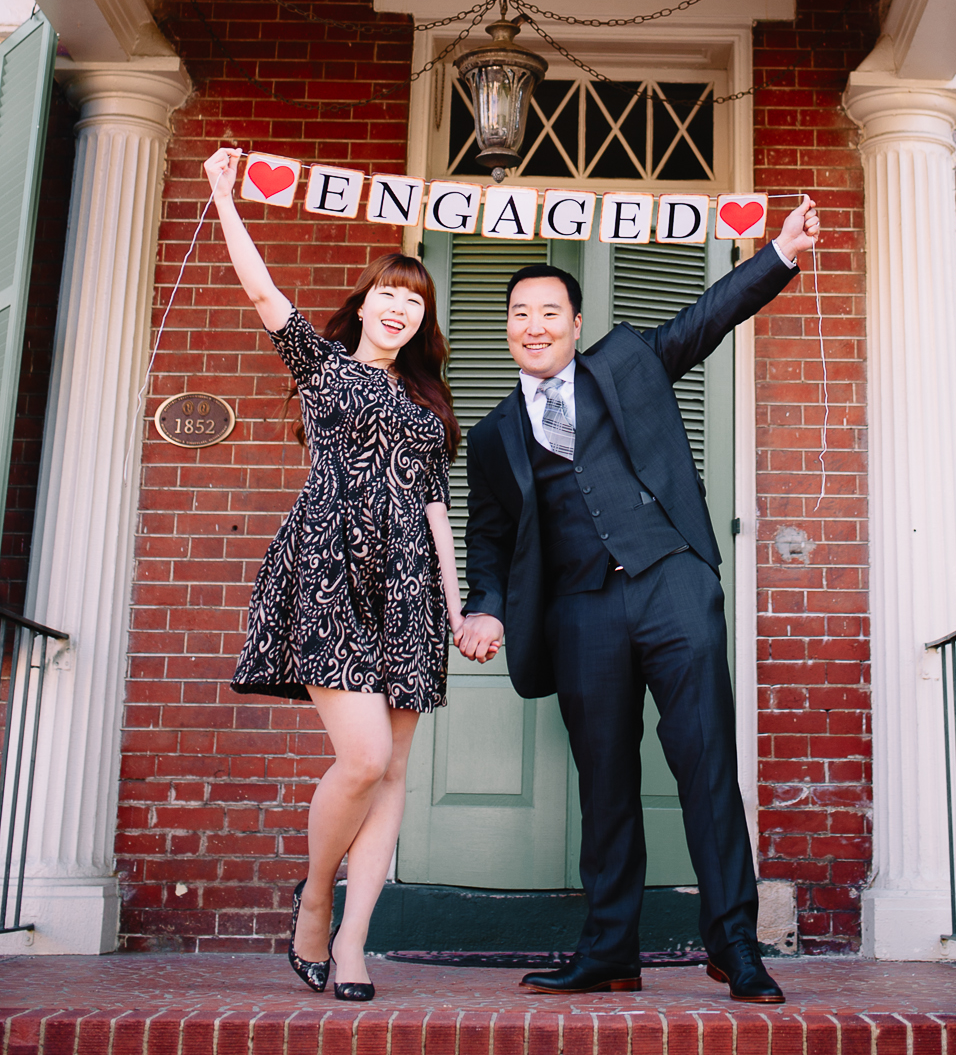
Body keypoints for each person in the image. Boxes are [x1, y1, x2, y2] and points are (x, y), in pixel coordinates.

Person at [457, 196, 820, 1001]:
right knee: (607, 784)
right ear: (507, 329)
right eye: (519, 313)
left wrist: (779, 254)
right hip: (580, 612)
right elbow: (487, 535)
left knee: (705, 769)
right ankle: (609, 951)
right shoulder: (491, 437)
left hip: (671, 584)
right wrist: (484, 603)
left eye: (549, 310)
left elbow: (703, 319)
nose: (534, 324)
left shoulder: (625, 363)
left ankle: (734, 945)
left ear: (576, 324)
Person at [203, 147, 464, 1003]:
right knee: (359, 758)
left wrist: (457, 609)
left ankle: (353, 945)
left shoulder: (427, 401)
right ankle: (314, 900)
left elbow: (433, 511)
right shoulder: (321, 367)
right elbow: (258, 289)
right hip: (325, 568)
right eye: (390, 291)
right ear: (364, 303)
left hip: (409, 593)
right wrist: (220, 193)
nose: (400, 306)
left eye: (415, 299)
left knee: (392, 774)